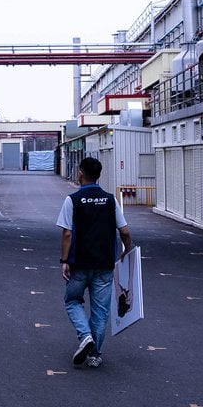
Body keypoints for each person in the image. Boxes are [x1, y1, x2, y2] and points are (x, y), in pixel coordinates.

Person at [57, 157, 132, 369]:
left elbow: (67, 234)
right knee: (100, 311)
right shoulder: (110, 200)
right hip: (104, 265)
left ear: (81, 172)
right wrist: (128, 251)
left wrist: (64, 260)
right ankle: (95, 355)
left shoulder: (72, 200)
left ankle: (85, 336)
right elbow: (124, 231)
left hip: (79, 263)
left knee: (72, 301)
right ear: (98, 175)